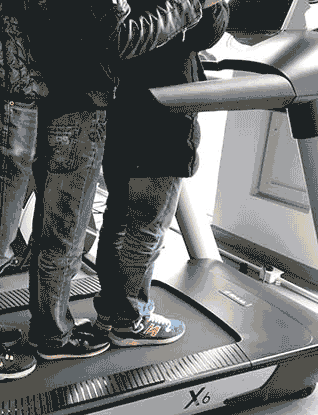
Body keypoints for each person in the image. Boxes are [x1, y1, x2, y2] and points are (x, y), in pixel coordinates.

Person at [0, 0, 208, 385]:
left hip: (0, 86)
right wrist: (189, 6)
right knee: (12, 237)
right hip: (23, 92)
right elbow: (117, 37)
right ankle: (1, 346)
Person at [91, 0, 231, 346]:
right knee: (145, 228)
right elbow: (204, 36)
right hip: (163, 113)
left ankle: (111, 311)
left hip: (121, 108)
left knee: (119, 218)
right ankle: (130, 320)